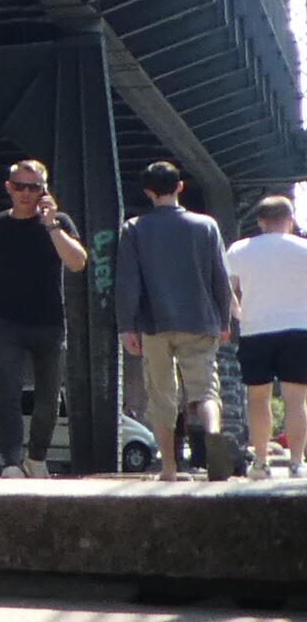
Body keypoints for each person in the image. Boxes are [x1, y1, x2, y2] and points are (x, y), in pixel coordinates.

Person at [115, 160, 235, 479]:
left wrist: (127, 326)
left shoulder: (134, 228)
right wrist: (224, 320)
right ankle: (212, 431)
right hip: (200, 320)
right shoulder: (206, 225)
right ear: (180, 186)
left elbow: (128, 283)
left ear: (147, 191)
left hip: (155, 324)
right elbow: (220, 278)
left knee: (161, 395)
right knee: (205, 389)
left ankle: (168, 468)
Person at [0, 159, 88, 475]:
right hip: (6, 321)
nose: (26, 193)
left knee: (49, 397)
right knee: (8, 391)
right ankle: (11, 462)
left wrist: (51, 225)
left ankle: (36, 458)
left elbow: (77, 262)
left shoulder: (59, 222)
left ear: (44, 190)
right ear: (9, 187)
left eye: (34, 187)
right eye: (20, 186)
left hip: (50, 321)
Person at [223, 192, 307, 479]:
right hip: (298, 329)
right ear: (290, 220)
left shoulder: (240, 249)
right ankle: (297, 462)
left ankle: (260, 462)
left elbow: (226, 287)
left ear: (260, 221)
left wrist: (237, 310)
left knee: (258, 398)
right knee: (296, 399)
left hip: (255, 329)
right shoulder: (303, 248)